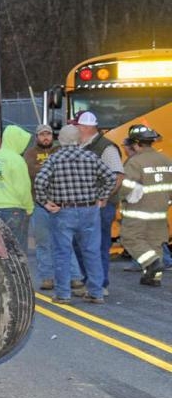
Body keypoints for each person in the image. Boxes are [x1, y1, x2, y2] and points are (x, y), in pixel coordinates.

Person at [33, 124, 118, 304]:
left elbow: (39, 182)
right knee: (92, 252)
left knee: (62, 253)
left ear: (60, 140)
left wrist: (46, 202)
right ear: (79, 139)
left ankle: (63, 294)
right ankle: (96, 292)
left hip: (63, 211)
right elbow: (111, 177)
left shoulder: (54, 159)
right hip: (89, 210)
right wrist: (101, 197)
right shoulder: (90, 157)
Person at [23, 124, 85, 292]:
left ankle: (75, 277)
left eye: (48, 134)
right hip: (40, 205)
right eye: (42, 134)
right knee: (43, 243)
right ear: (37, 137)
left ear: (53, 136)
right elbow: (31, 173)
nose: (45, 137)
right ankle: (47, 277)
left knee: (66, 242)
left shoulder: (59, 151)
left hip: (62, 204)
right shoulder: (30, 154)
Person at [76, 111, 124, 295]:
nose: (76, 129)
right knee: (83, 244)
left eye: (78, 126)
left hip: (101, 206)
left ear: (85, 127)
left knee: (99, 245)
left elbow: (118, 176)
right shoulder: (84, 146)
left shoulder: (106, 148)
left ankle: (100, 283)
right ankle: (90, 280)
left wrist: (104, 198)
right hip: (85, 205)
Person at [118, 124, 172, 286]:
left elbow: (125, 187)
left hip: (138, 212)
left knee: (130, 238)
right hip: (161, 211)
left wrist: (119, 197)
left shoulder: (135, 162)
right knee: (155, 242)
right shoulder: (166, 160)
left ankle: (152, 263)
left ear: (136, 144)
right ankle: (153, 278)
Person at [0, 125, 34, 252]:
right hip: (14, 210)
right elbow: (22, 189)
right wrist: (29, 207)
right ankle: (17, 273)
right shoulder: (17, 160)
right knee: (17, 251)